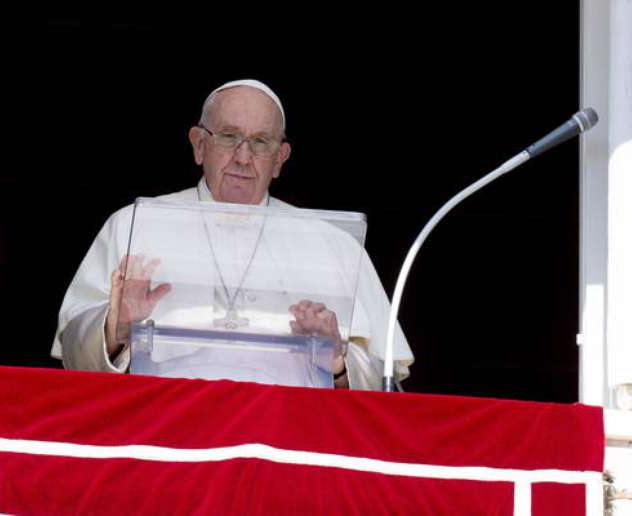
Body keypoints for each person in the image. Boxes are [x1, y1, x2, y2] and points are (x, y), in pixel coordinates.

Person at [52, 79, 413, 389]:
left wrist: (336, 362)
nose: (243, 157)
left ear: (281, 158)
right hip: (168, 425)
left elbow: (386, 380)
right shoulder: (133, 225)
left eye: (260, 142)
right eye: (228, 137)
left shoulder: (335, 244)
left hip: (286, 431)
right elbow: (72, 355)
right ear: (199, 145)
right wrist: (114, 329)